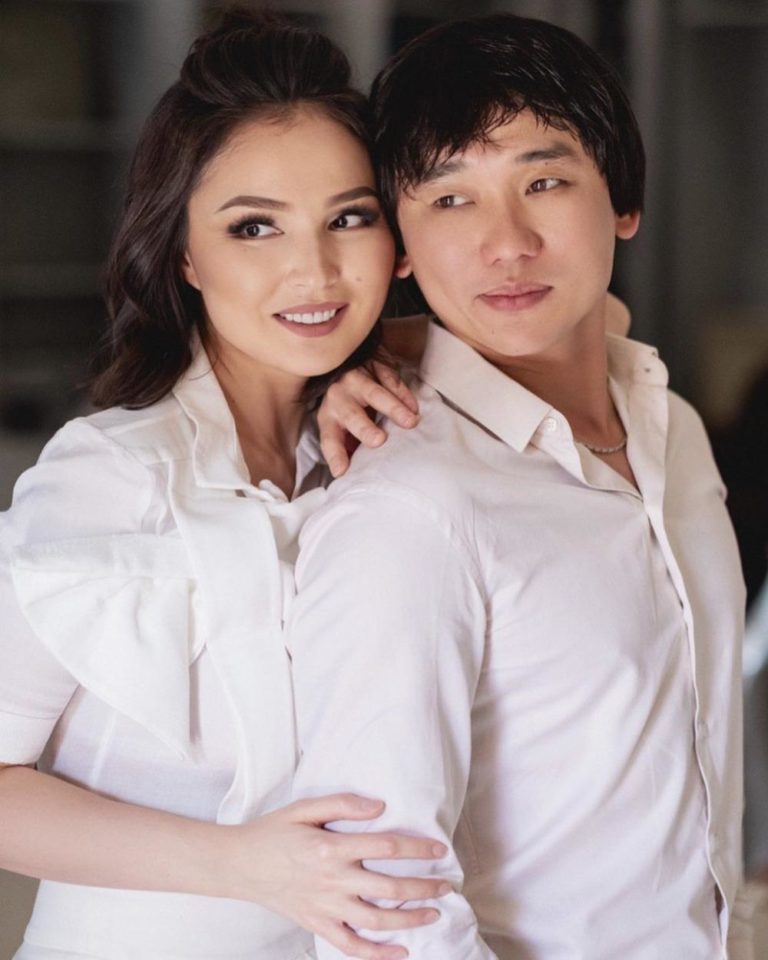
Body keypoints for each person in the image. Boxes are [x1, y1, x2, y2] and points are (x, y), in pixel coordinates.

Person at [288, 13, 753, 959]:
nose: (506, 243)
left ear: (622, 199)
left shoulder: (673, 430)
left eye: (544, 182)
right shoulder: (409, 509)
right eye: (450, 199)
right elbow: (383, 906)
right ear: (401, 246)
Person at [0, 11, 451, 960]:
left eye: (349, 218)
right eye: (254, 227)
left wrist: (399, 350)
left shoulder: (382, 439)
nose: (313, 270)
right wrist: (244, 865)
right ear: (184, 255)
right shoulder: (113, 475)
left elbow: (596, 328)